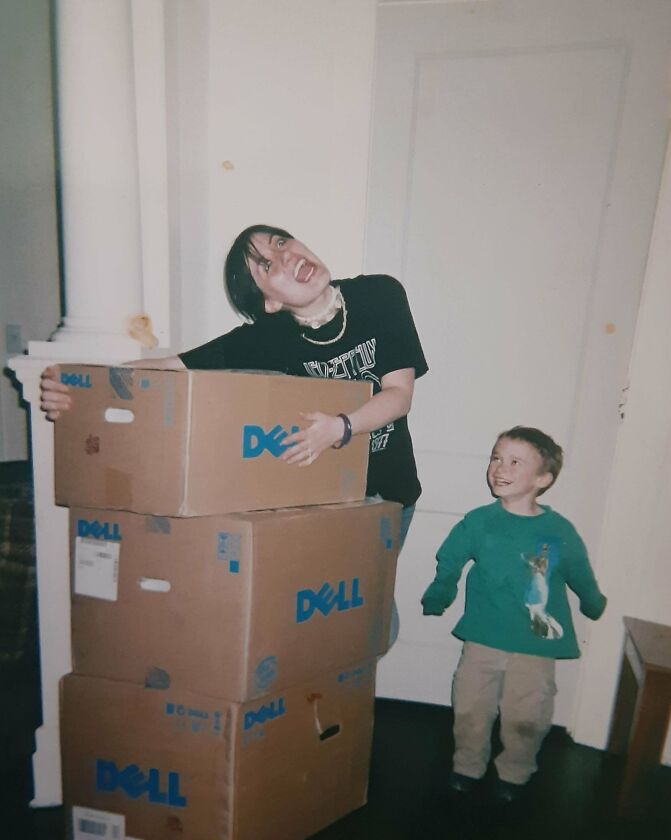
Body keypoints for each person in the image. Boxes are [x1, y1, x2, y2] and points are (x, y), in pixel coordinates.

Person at [40, 223, 428, 590]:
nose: (284, 255)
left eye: (280, 242)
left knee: (369, 609)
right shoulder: (267, 338)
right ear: (269, 302)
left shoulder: (379, 295)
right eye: (266, 265)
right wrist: (77, 386)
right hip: (326, 502)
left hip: (389, 493)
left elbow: (398, 394)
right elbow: (171, 366)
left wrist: (339, 427)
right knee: (328, 613)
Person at [421, 426, 606, 803]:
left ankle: (516, 770)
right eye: (496, 457)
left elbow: (579, 571)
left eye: (515, 462)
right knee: (471, 706)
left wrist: (592, 600)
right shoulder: (478, 522)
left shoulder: (557, 530)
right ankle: (467, 764)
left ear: (543, 479)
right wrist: (441, 592)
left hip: (535, 641)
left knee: (527, 715)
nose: (500, 468)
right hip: (483, 635)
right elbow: (451, 558)